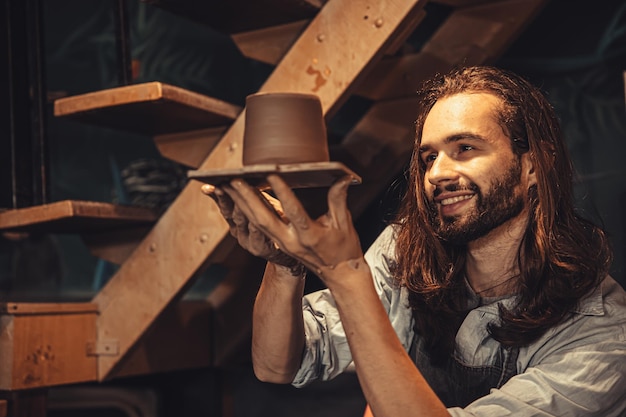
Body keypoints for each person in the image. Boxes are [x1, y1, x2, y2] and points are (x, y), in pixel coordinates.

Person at [202, 66, 626, 416]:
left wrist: (347, 274)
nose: (437, 174)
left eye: (464, 148)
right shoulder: (405, 250)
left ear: (533, 166)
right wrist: (286, 262)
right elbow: (278, 365)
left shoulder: (602, 333)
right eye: (428, 157)